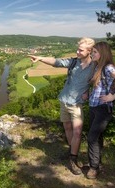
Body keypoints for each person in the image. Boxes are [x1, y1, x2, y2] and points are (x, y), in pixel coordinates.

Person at [28, 37, 95, 175]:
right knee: (68, 128)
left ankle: (73, 160)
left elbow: (98, 81)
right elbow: (56, 62)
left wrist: (89, 91)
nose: (77, 51)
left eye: (81, 50)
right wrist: (40, 58)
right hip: (64, 100)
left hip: (76, 104)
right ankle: (71, 150)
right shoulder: (73, 62)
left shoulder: (95, 66)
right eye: (78, 48)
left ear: (89, 51)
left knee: (77, 132)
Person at [87, 41, 115, 179]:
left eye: (95, 52)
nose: (92, 54)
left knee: (91, 137)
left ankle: (93, 168)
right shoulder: (97, 67)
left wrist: (112, 96)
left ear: (103, 53)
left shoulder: (108, 68)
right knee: (98, 137)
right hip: (93, 107)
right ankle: (97, 163)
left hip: (103, 109)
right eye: (92, 51)